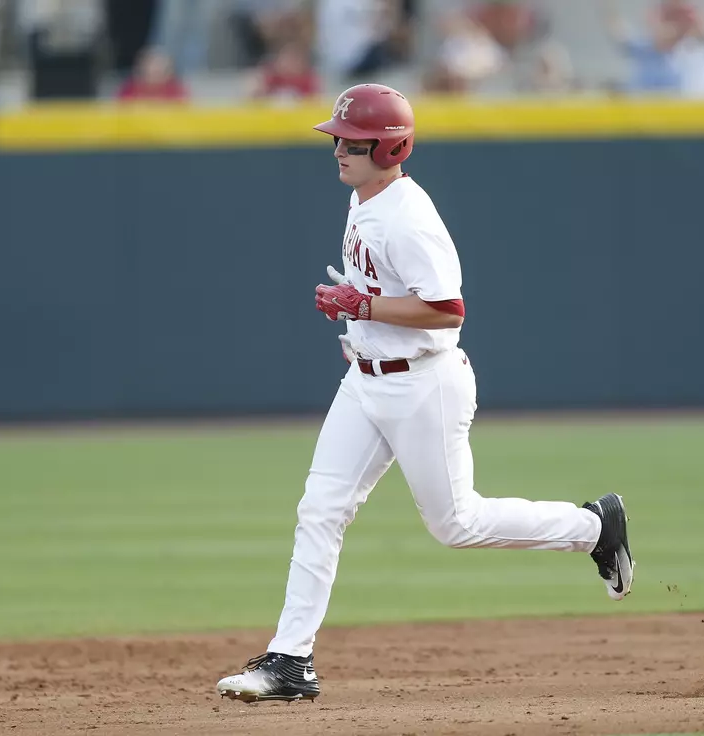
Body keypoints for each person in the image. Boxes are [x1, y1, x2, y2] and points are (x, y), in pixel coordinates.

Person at [215, 84, 636, 704]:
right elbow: (380, 291)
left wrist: (360, 305)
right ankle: (289, 660)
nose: (337, 148)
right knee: (320, 511)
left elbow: (447, 308)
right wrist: (360, 326)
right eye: (335, 137)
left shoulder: (408, 217)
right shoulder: (363, 198)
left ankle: (593, 527)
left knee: (456, 525)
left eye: (350, 141)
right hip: (365, 382)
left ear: (389, 148)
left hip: (423, 386)